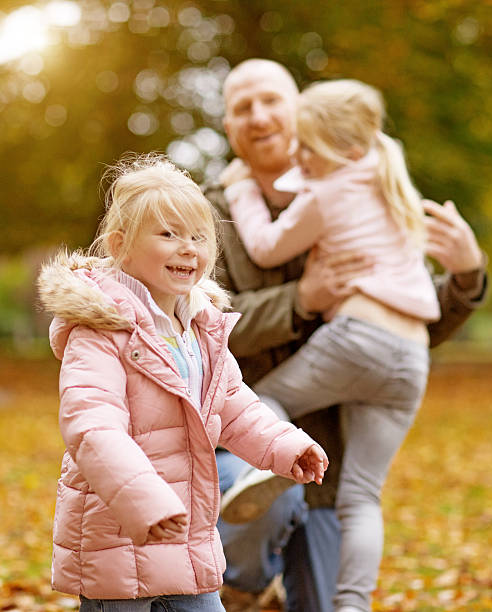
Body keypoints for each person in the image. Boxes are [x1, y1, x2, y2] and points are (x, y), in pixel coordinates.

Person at [209, 59, 488, 612]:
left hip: (326, 468)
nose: (260, 116)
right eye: (242, 108)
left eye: (271, 100)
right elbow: (197, 327)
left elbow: (407, 313)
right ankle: (240, 581)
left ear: (300, 112)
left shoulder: (353, 186)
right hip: (242, 452)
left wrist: (467, 274)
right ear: (227, 128)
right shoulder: (207, 216)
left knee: (328, 589)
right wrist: (301, 299)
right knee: (264, 497)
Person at [36, 153, 328, 611]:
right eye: (168, 234)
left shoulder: (198, 327)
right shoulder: (101, 330)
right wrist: (144, 502)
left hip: (187, 532)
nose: (188, 247)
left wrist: (287, 446)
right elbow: (91, 427)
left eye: (198, 236)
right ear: (119, 246)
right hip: (120, 534)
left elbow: (234, 405)